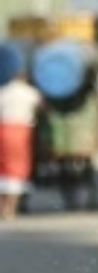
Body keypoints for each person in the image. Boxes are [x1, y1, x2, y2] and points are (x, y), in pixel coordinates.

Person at [0, 66, 44, 219]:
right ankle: (10, 208)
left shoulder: (4, 91)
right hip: (21, 132)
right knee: (17, 168)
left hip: (3, 130)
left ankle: (3, 206)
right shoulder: (29, 93)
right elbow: (42, 107)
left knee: (3, 167)